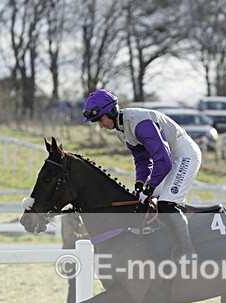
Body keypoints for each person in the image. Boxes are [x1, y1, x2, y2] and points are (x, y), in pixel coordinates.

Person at [82, 88, 201, 259]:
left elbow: (163, 160)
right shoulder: (121, 129)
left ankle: (188, 252)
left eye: (100, 119)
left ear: (112, 111)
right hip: (168, 157)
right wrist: (140, 183)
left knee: (167, 204)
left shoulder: (140, 124)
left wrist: (149, 187)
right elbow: (142, 159)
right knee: (147, 203)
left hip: (184, 154)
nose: (101, 125)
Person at [60, 211, 88, 303]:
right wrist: (89, 237)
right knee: (74, 287)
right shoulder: (67, 218)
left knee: (82, 287)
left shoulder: (82, 217)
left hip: (82, 260)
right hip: (71, 260)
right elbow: (70, 237)